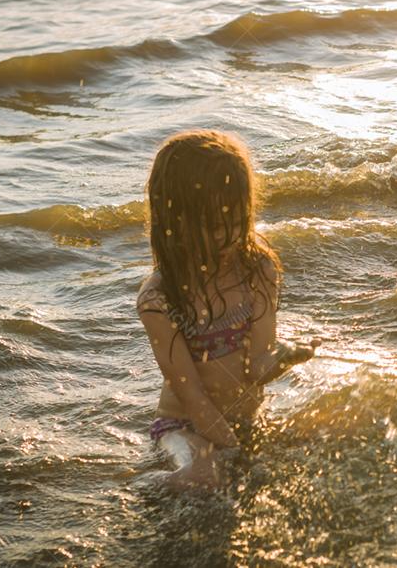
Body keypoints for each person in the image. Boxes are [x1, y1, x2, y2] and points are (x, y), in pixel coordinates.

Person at [136, 129, 318, 488]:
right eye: (217, 227)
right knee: (208, 473)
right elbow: (194, 399)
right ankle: (143, 487)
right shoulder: (159, 299)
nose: (231, 237)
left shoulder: (258, 270)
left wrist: (284, 357)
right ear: (177, 221)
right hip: (183, 426)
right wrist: (238, 452)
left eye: (239, 222)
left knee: (316, 445)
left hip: (244, 422)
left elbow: (257, 366)